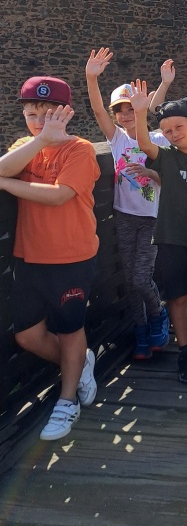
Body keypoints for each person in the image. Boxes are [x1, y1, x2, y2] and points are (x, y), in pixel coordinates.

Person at [0, 77, 100, 441]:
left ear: (66, 113)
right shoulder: (26, 146)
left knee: (71, 330)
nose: (39, 121)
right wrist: (41, 140)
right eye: (32, 114)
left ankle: (67, 399)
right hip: (29, 256)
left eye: (48, 114)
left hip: (71, 256)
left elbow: (59, 196)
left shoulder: (81, 149)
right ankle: (80, 362)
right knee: (27, 335)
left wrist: (7, 185)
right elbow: (2, 167)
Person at [85, 47, 169, 361]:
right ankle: (141, 331)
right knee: (131, 282)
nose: (125, 115)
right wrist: (91, 78)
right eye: (119, 110)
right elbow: (97, 112)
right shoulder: (118, 138)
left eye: (131, 108)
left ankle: (158, 314)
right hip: (124, 216)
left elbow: (169, 179)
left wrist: (150, 173)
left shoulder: (158, 140)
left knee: (140, 278)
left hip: (151, 218)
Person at [132, 83, 187, 384]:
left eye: (179, 127)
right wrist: (140, 112)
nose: (174, 134)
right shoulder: (166, 156)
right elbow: (144, 143)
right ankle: (184, 351)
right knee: (177, 297)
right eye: (167, 131)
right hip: (172, 238)